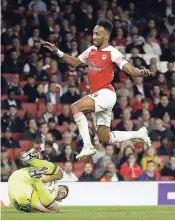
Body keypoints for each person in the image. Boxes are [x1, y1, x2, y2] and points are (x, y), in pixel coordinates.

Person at [41, 18, 152, 160]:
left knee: (75, 107)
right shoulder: (91, 50)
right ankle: (139, 134)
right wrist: (57, 51)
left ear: (106, 36)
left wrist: (141, 72)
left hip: (106, 94)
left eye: (97, 34)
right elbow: (74, 63)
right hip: (97, 96)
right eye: (93, 33)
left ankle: (87, 145)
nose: (94, 37)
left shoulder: (113, 53)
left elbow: (129, 69)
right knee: (104, 139)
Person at [8, 147, 68, 213]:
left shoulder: (50, 197)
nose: (61, 191)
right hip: (22, 176)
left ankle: (36, 177)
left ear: (60, 200)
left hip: (21, 192)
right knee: (60, 174)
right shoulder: (53, 181)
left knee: (55, 208)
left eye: (63, 194)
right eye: (62, 188)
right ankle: (30, 160)